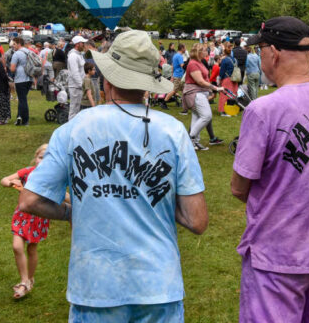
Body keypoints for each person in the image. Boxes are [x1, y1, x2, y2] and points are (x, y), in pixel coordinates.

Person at [19, 30, 208, 321]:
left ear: (107, 79)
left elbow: (30, 200)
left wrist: (71, 213)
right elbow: (197, 220)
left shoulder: (73, 129)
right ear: (147, 85)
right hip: (158, 285)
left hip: (96, 286)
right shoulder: (173, 131)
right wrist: (151, 200)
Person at [231, 17, 309, 323]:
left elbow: (239, 188)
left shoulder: (263, 110)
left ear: (273, 52)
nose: (259, 56)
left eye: (260, 49)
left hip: (278, 254)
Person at [0, 144, 51, 299]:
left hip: (38, 217)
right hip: (22, 215)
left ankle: (29, 279)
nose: (43, 161)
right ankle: (24, 280)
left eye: (48, 158)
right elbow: (4, 179)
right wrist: (11, 183)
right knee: (17, 246)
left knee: (31, 249)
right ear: (36, 158)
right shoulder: (28, 172)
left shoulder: (52, 177)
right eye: (41, 157)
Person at [185, 43, 224, 151]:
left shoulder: (200, 62)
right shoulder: (193, 64)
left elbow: (204, 79)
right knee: (206, 116)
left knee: (197, 117)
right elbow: (200, 81)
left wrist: (210, 90)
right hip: (195, 93)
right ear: (199, 52)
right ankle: (191, 138)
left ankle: (195, 142)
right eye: (205, 50)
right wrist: (215, 88)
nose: (207, 52)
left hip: (201, 93)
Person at [9, 37, 32, 126]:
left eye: (14, 44)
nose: (13, 46)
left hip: (20, 79)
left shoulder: (16, 54)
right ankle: (19, 117)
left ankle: (25, 120)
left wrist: (12, 69)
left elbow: (12, 68)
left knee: (22, 100)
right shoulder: (28, 51)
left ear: (19, 44)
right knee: (22, 99)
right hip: (29, 78)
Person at [66, 36, 87, 121]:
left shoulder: (79, 55)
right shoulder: (73, 56)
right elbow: (75, 73)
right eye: (83, 43)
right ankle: (70, 127)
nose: (84, 45)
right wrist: (82, 85)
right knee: (74, 109)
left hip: (78, 86)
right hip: (76, 86)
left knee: (77, 109)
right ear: (77, 44)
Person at [164, 43, 186, 109]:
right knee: (174, 90)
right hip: (178, 76)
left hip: (177, 75)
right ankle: (164, 102)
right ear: (182, 48)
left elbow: (173, 66)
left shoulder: (175, 55)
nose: (185, 49)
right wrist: (188, 63)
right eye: (185, 48)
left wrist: (172, 75)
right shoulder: (179, 56)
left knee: (184, 90)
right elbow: (182, 65)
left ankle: (183, 103)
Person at [218, 41, 237, 117]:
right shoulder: (235, 59)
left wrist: (219, 79)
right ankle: (232, 110)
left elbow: (222, 72)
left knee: (224, 95)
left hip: (226, 79)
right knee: (232, 95)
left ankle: (224, 111)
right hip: (234, 79)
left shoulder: (224, 60)